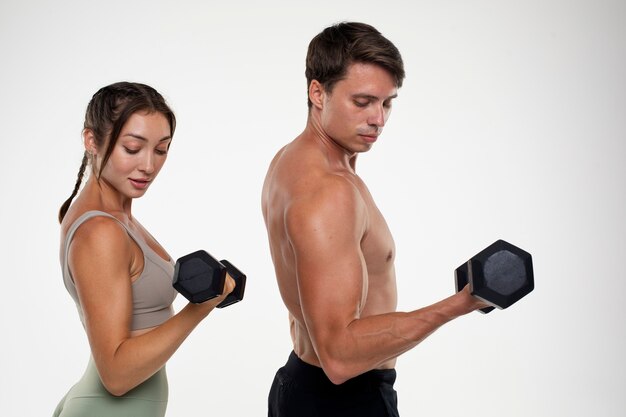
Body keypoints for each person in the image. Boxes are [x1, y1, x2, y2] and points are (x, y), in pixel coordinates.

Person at [261, 22, 490, 416]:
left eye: (387, 103)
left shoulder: (289, 160)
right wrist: (461, 303)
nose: (378, 119)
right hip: (344, 401)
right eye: (363, 102)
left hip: (301, 385)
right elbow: (339, 356)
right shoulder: (329, 190)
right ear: (318, 93)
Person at [53, 82, 235, 417]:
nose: (148, 166)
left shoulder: (113, 216)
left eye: (161, 150)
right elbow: (117, 376)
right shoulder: (101, 231)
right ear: (91, 141)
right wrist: (200, 308)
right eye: (133, 148)